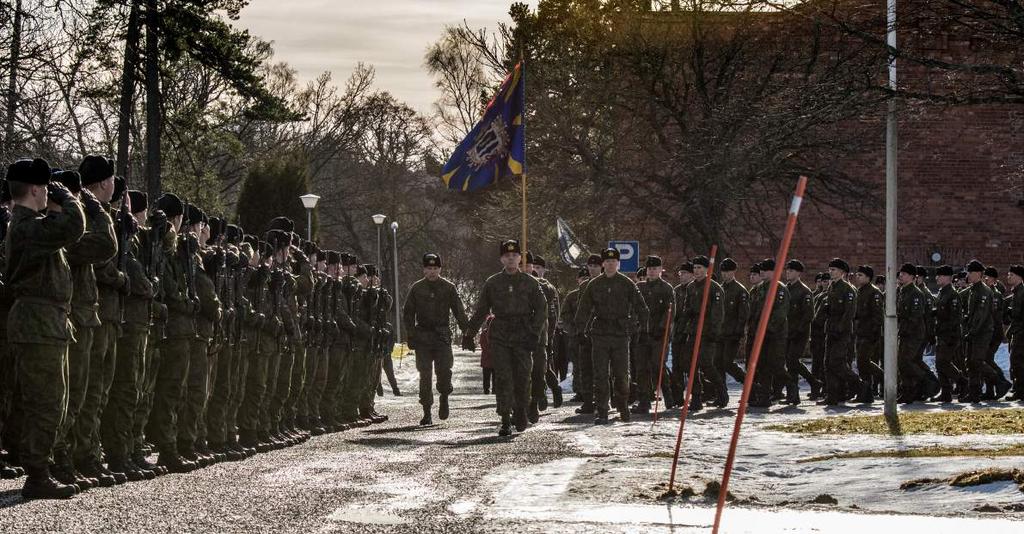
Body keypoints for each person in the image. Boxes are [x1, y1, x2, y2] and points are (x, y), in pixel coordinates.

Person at [5, 158, 85, 499]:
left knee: (53, 400)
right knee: (45, 401)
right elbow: (74, 226)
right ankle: (37, 475)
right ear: (37, 189)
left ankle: (41, 469)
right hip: (37, 322)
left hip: (46, 323)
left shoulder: (33, 226)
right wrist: (68, 198)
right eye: (46, 188)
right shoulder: (26, 228)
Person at [464, 240, 546, 436]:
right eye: (507, 256)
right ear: (501, 259)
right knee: (503, 378)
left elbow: (541, 309)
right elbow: (481, 310)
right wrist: (470, 333)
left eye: (514, 256)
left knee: (523, 377)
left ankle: (520, 409)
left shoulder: (530, 282)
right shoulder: (492, 283)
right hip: (500, 335)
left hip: (523, 334)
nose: (511, 259)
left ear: (520, 258)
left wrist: (534, 332)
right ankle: (505, 418)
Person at [573, 247, 649, 423]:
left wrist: (642, 330)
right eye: (607, 262)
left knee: (622, 374)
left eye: (613, 262)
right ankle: (602, 410)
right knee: (600, 374)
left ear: (618, 264)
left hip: (620, 334)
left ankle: (622, 406)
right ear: (603, 264)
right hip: (600, 333)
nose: (610, 264)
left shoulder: (627, 283)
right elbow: (583, 309)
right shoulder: (594, 284)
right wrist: (580, 331)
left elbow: (641, 307)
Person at [403, 253, 469, 425]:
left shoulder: (448, 287)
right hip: (423, 336)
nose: (432, 272)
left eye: (435, 268)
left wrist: (467, 333)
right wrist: (410, 334)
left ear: (440, 269)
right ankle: (426, 411)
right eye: (429, 268)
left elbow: (459, 312)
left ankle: (444, 397)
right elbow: (408, 313)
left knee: (444, 371)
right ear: (424, 269)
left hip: (442, 336)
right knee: (424, 374)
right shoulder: (417, 288)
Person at [820, 258, 870, 405]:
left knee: (837, 362)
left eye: (833, 270)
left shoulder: (848, 289)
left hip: (842, 332)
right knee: (828, 363)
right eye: (830, 269)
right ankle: (833, 396)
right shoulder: (832, 287)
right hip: (831, 329)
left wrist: (840, 328)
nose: (831, 272)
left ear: (842, 272)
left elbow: (849, 313)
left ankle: (860, 385)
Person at [963, 260, 1011, 402]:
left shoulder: (984, 291)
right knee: (970, 362)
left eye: (971, 272)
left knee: (977, 361)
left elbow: (982, 315)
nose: (968, 275)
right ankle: (974, 393)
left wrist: (972, 331)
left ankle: (1001, 382)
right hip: (974, 331)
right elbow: (972, 312)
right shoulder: (973, 289)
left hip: (982, 332)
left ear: (978, 273)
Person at [633, 256, 673, 414]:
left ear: (660, 270)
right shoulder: (639, 287)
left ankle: (668, 396)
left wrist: (662, 328)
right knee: (641, 368)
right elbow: (634, 308)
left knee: (658, 365)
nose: (652, 271)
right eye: (649, 269)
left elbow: (670, 311)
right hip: (642, 334)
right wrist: (636, 326)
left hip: (659, 335)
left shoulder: (666, 288)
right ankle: (644, 400)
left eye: (655, 269)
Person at [895, 263, 939, 403]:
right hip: (905, 332)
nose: (901, 275)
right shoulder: (903, 291)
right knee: (903, 362)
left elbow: (916, 316)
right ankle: (909, 391)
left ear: (913, 277)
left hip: (913, 333)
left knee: (906, 361)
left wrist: (906, 328)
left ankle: (929, 382)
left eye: (905, 274)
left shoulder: (915, 293)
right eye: (901, 273)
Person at [525, 253, 561, 418]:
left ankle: (549, 391)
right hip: (520, 336)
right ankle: (529, 402)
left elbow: (552, 314)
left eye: (538, 267)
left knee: (542, 369)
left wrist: (550, 334)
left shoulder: (545, 287)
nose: (535, 270)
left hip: (542, 334)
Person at [783, 260, 819, 404]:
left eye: (791, 271)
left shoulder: (804, 291)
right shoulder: (786, 289)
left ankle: (796, 392)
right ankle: (800, 390)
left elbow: (809, 314)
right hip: (786, 331)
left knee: (792, 360)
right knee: (789, 362)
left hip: (799, 333)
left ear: (798, 273)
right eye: (787, 270)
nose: (788, 273)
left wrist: (799, 330)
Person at [932, 265, 965, 402]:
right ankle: (945, 392)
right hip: (941, 333)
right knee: (940, 364)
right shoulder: (942, 292)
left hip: (949, 334)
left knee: (943, 362)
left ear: (947, 277)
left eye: (940, 275)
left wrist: (951, 335)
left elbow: (955, 317)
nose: (937, 278)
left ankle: (963, 382)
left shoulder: (952, 294)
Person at [852, 265, 884, 403]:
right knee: (861, 364)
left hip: (869, 333)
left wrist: (874, 334)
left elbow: (877, 316)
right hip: (861, 332)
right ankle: (866, 393)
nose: (857, 277)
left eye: (860, 275)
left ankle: (887, 379)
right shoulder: (860, 291)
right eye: (857, 275)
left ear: (868, 278)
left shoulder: (874, 293)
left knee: (864, 361)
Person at [717, 258, 748, 393]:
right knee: (717, 363)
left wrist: (738, 331)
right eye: (723, 271)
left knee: (727, 363)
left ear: (733, 271)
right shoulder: (720, 288)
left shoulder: (739, 290)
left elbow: (743, 314)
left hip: (732, 333)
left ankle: (749, 384)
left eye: (727, 271)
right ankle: (721, 393)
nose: (724, 274)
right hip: (720, 332)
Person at [559, 268, 589, 403]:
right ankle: (579, 391)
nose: (584, 281)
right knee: (577, 365)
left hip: (593, 334)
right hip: (576, 336)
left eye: (586, 278)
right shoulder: (572, 296)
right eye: (582, 279)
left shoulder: (595, 293)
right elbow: (565, 315)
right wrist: (572, 329)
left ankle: (592, 391)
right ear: (578, 280)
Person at [1005, 265, 1024, 401]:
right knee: (1016, 361)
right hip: (1017, 331)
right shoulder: (1016, 292)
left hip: (1021, 332)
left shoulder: (1022, 292)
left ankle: (1020, 390)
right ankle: (1018, 388)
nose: (1008, 277)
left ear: (1018, 276)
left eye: (1011, 275)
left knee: (1017, 361)